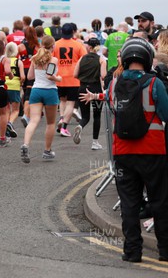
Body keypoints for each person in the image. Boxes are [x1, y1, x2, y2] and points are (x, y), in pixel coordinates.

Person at [80, 38, 168, 263]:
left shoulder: (113, 85)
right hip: (153, 152)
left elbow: (111, 108)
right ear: (147, 59)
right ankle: (165, 250)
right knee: (159, 201)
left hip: (123, 153)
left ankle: (132, 251)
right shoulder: (154, 83)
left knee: (129, 203)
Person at [20, 35, 61, 163]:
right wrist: (58, 79)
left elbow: (30, 76)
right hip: (50, 91)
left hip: (36, 90)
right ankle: (47, 151)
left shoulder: (34, 59)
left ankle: (26, 144)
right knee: (50, 123)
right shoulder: (53, 59)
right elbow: (50, 75)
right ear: (53, 46)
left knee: (33, 120)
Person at [72, 37, 106, 150]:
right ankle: (95, 142)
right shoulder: (101, 59)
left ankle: (80, 126)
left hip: (82, 88)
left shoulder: (82, 58)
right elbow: (103, 75)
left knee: (85, 116)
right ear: (98, 47)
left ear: (89, 47)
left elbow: (75, 75)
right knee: (97, 116)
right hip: (95, 89)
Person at [53, 23, 86, 137]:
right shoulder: (78, 45)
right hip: (73, 77)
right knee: (71, 103)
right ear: (72, 32)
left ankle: (62, 118)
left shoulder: (55, 45)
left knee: (62, 100)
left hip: (59, 77)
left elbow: (51, 60)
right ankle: (64, 126)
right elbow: (84, 59)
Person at [18, 26, 39, 127]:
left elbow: (15, 58)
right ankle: (26, 115)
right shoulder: (38, 47)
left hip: (23, 70)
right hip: (32, 70)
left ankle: (26, 113)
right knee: (28, 95)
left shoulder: (21, 46)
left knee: (25, 92)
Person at [5, 42, 25, 135]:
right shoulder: (18, 62)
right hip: (14, 85)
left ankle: (6, 125)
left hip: (5, 85)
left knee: (7, 108)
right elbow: (23, 76)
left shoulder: (4, 60)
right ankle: (10, 123)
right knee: (16, 109)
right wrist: (21, 83)